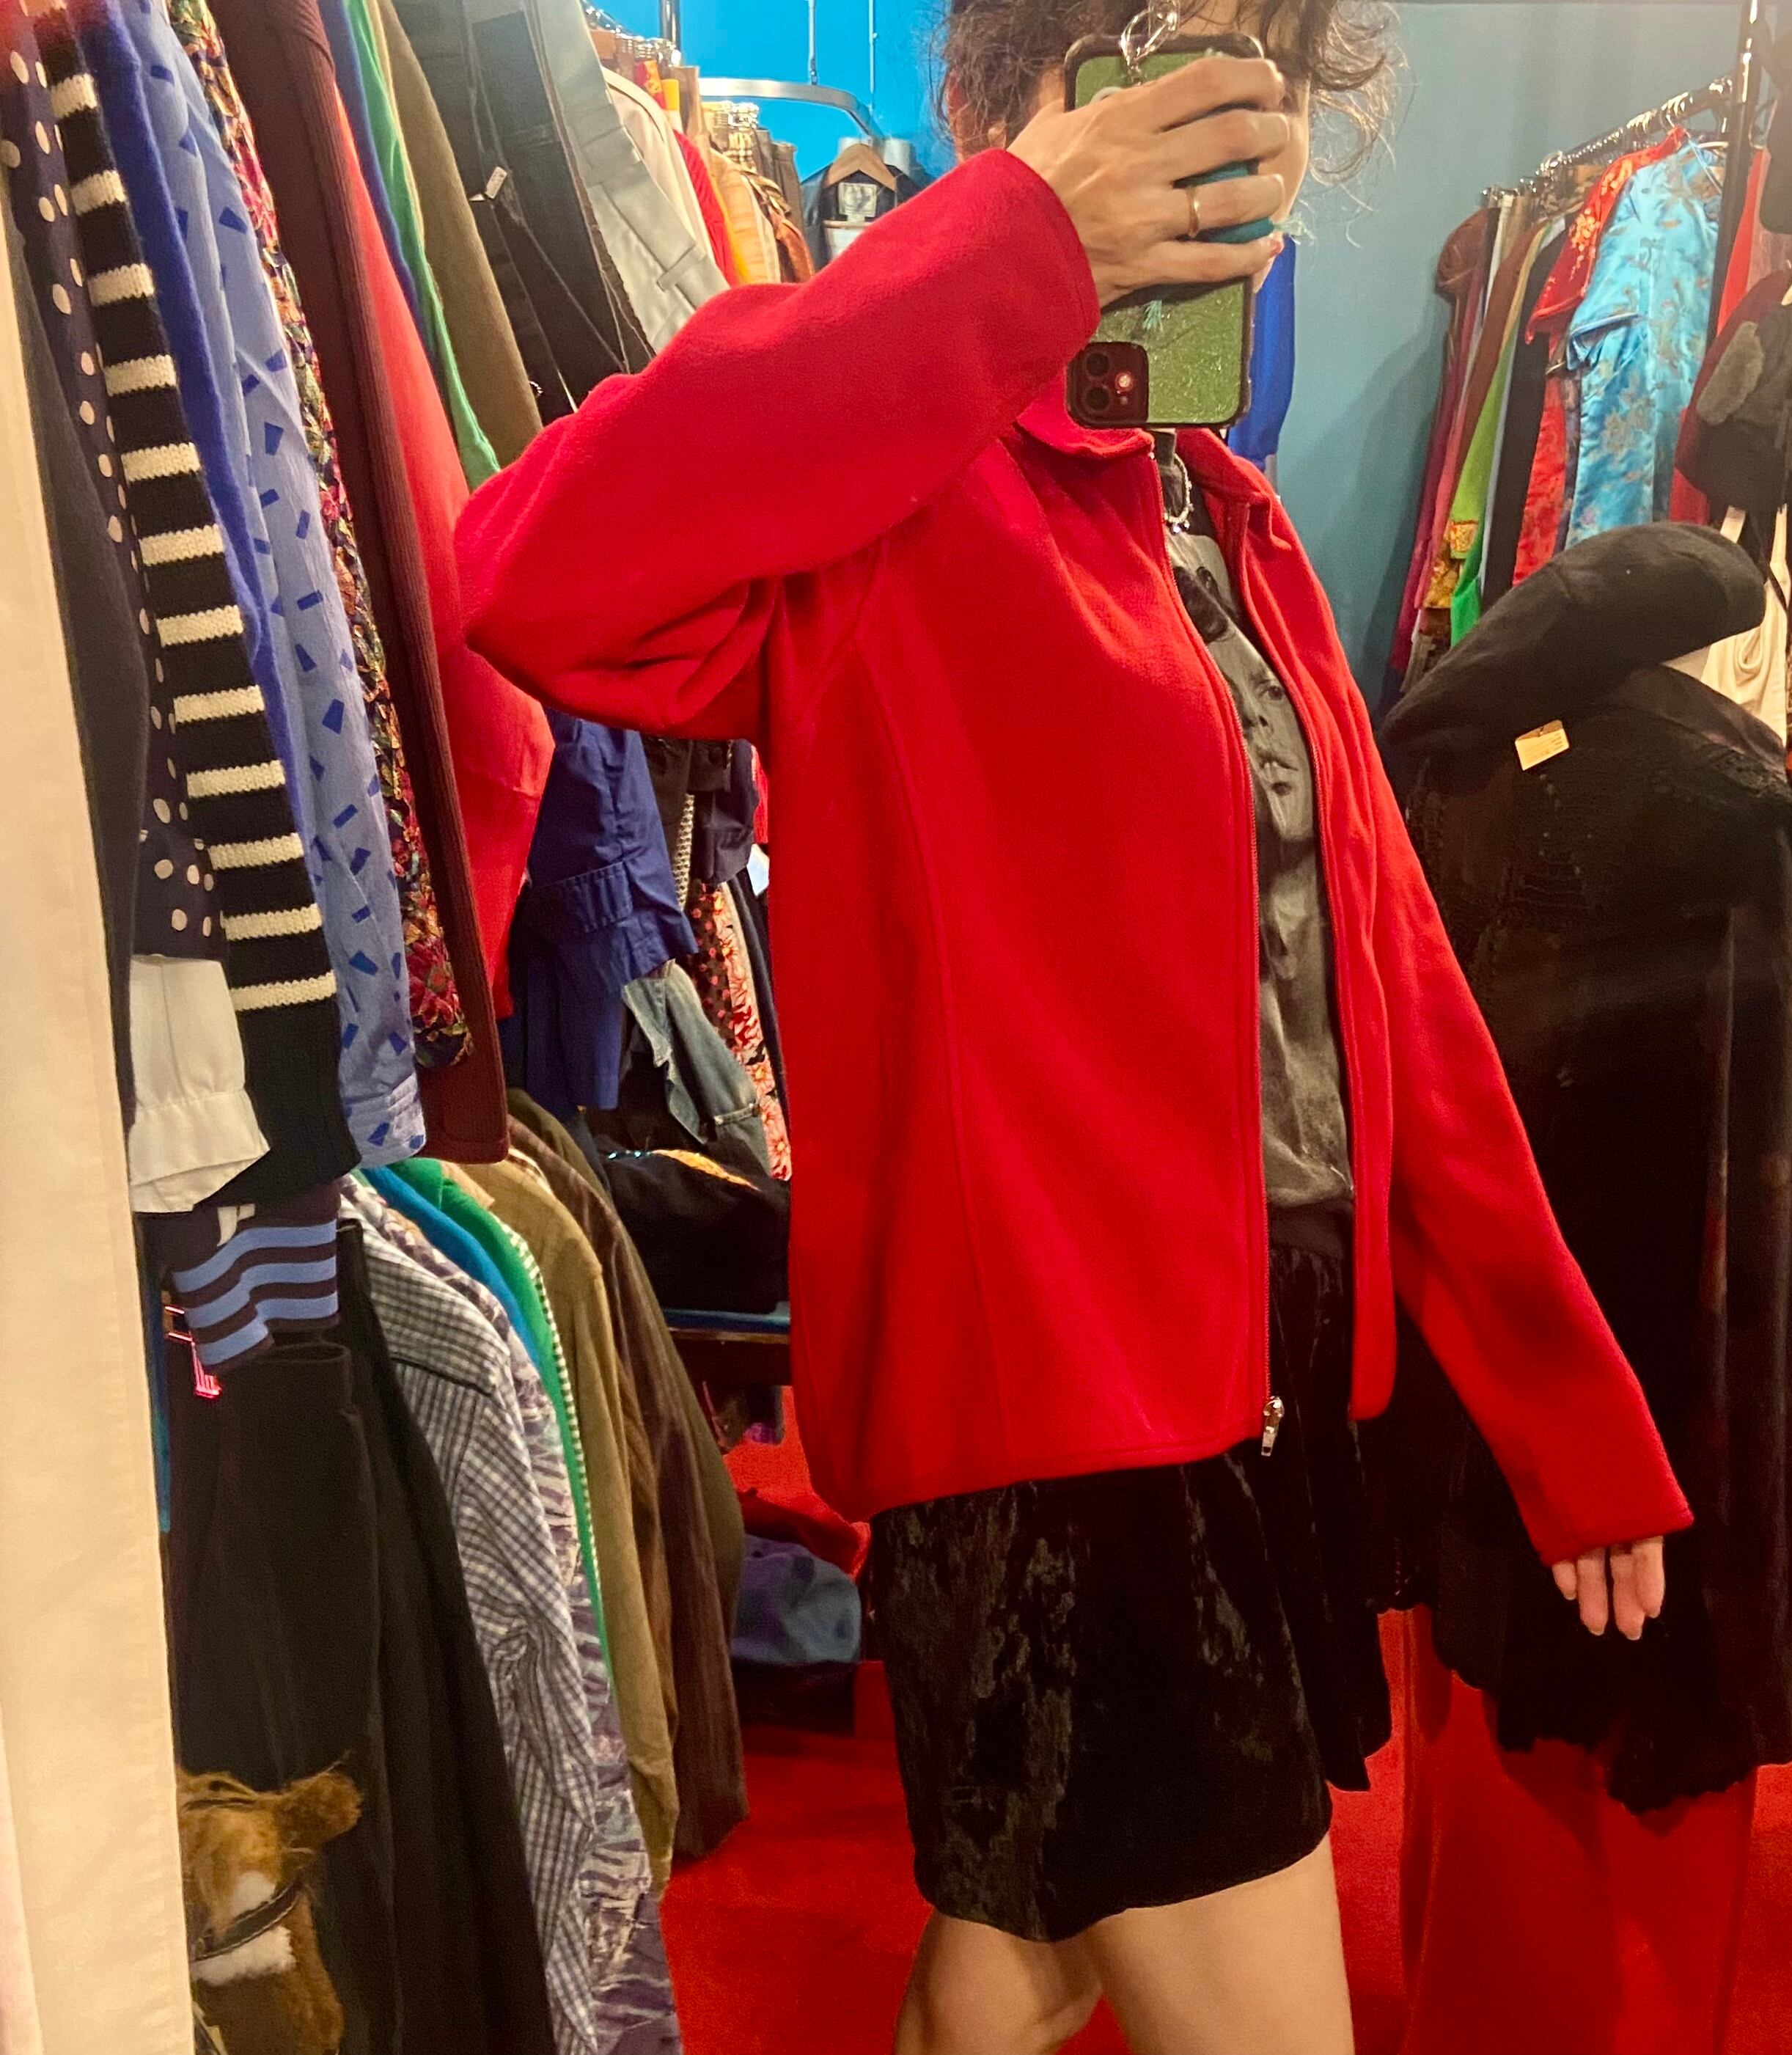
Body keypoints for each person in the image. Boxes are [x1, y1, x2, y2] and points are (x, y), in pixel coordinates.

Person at [458, 6, 1692, 2050]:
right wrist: (1012, 247)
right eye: (1161, 67)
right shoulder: (883, 490)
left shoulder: (1232, 528)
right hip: (1061, 1437)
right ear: (1027, 93)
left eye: (1260, 85)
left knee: (1018, 1965)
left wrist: (1563, 1400)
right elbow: (526, 571)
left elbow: (1388, 991)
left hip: (1262, 1389)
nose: (1219, 134)